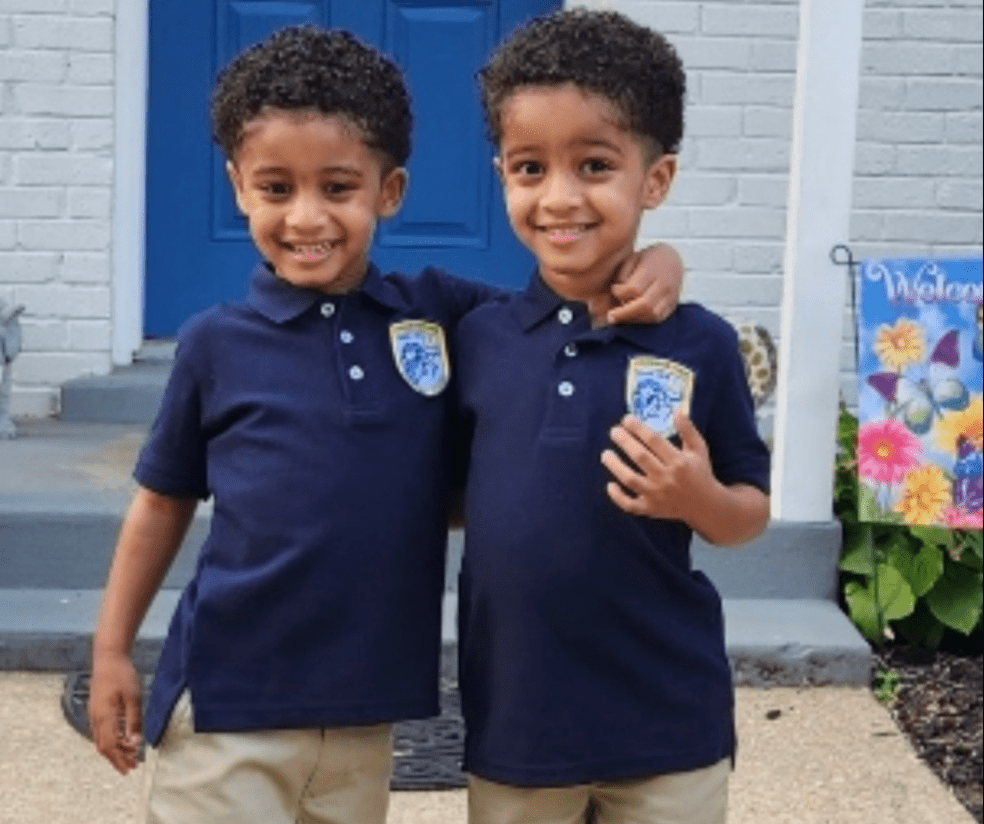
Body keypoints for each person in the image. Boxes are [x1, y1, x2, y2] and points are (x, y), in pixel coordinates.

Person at [87, 24, 683, 824]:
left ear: (388, 191)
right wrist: (111, 650)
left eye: (338, 188)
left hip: (364, 722)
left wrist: (658, 260)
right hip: (229, 703)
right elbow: (160, 504)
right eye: (275, 188)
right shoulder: (214, 345)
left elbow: (564, 305)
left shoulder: (439, 311)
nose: (306, 217)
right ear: (237, 186)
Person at [455, 10, 772, 824]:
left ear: (654, 180)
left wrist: (696, 500)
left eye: (595, 165)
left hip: (667, 722)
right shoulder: (477, 334)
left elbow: (749, 512)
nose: (559, 198)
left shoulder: (698, 342)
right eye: (529, 169)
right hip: (520, 726)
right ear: (501, 175)